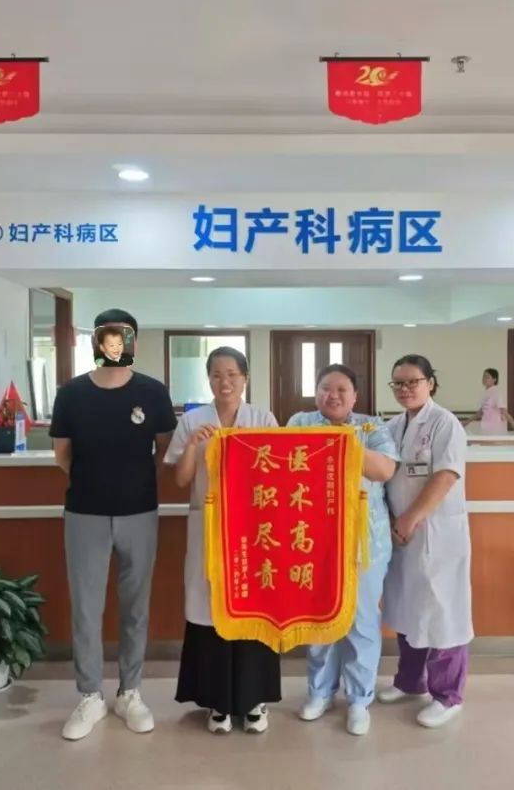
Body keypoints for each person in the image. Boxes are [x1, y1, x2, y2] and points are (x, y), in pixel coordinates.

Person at [50, 309, 177, 741]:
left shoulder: (152, 392)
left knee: (135, 607)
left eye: (123, 337)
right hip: (84, 513)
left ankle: (129, 692)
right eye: (107, 337)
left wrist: (133, 483)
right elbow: (62, 454)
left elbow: (164, 450)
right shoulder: (71, 394)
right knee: (86, 608)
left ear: (133, 342)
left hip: (139, 512)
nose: (115, 345)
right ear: (96, 342)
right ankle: (90, 695)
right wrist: (95, 482)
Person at [164, 347, 282, 735]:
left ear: (245, 378)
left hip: (254, 530)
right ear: (209, 379)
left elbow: (279, 474)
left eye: (232, 374)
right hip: (209, 527)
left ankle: (254, 699)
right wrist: (193, 445)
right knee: (209, 608)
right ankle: (217, 701)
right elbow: (181, 479)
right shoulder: (193, 420)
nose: (224, 381)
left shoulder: (262, 418)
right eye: (216, 374)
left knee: (252, 607)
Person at [289, 365, 399, 736]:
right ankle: (320, 692)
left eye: (341, 389)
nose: (332, 395)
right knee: (319, 618)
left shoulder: (371, 427)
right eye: (325, 388)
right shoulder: (300, 422)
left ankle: (359, 699)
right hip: (313, 540)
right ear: (315, 392)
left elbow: (384, 470)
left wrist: (344, 443)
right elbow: (285, 465)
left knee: (362, 621)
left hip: (365, 542)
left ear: (355, 396)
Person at [378, 354, 472, 729]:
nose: (405, 389)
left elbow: (446, 476)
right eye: (398, 383)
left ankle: (448, 695)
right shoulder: (392, 425)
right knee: (407, 606)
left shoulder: (446, 423)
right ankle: (410, 680)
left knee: (443, 611)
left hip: (437, 534)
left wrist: (410, 518)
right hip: (402, 536)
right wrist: (394, 522)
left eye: (412, 382)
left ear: (430, 383)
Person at [475, 368, 514, 434]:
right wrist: (467, 422)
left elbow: (504, 411)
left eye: (487, 377)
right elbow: (481, 411)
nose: (484, 378)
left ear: (494, 379)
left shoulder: (496, 392)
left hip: (495, 427)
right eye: (484, 376)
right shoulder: (485, 393)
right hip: (484, 425)